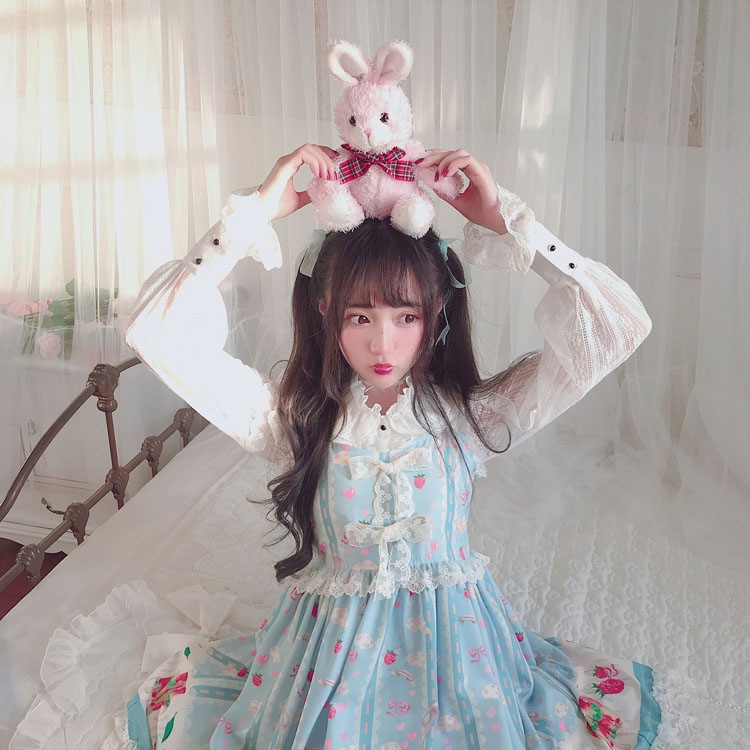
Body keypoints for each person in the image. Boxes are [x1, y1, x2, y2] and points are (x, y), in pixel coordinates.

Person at [122, 145, 658, 749]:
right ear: (325, 312)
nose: (383, 344)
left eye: (406, 317)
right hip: (328, 661)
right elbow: (155, 332)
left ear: (437, 314)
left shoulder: (473, 417)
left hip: (457, 653)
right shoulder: (297, 420)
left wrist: (508, 222)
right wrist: (253, 215)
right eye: (360, 317)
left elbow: (616, 327)